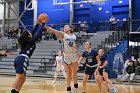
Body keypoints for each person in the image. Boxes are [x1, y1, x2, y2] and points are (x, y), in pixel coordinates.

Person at [11, 19, 47, 93]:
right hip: (22, 59)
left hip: (21, 58)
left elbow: (33, 31)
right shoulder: (30, 41)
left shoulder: (28, 40)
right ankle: (13, 91)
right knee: (19, 77)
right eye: (29, 33)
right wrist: (43, 25)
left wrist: (37, 24)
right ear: (28, 36)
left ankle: (17, 91)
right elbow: (38, 34)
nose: (31, 33)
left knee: (23, 79)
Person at [45, 25, 80, 93]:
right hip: (66, 55)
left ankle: (75, 86)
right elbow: (54, 31)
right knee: (69, 73)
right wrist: (46, 27)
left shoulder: (74, 36)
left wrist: (78, 51)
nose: (65, 28)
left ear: (70, 28)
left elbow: (74, 45)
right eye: (64, 27)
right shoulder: (63, 34)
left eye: (66, 27)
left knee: (74, 73)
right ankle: (68, 88)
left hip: (74, 55)